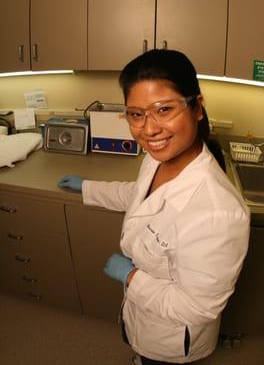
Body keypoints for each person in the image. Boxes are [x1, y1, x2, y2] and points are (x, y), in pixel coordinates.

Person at [58, 49, 250, 365]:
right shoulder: (157, 157)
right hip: (143, 315)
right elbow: (140, 195)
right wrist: (87, 186)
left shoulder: (218, 212)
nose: (149, 130)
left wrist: (131, 277)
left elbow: (197, 309)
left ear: (197, 107)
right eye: (136, 114)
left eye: (163, 109)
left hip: (172, 338)